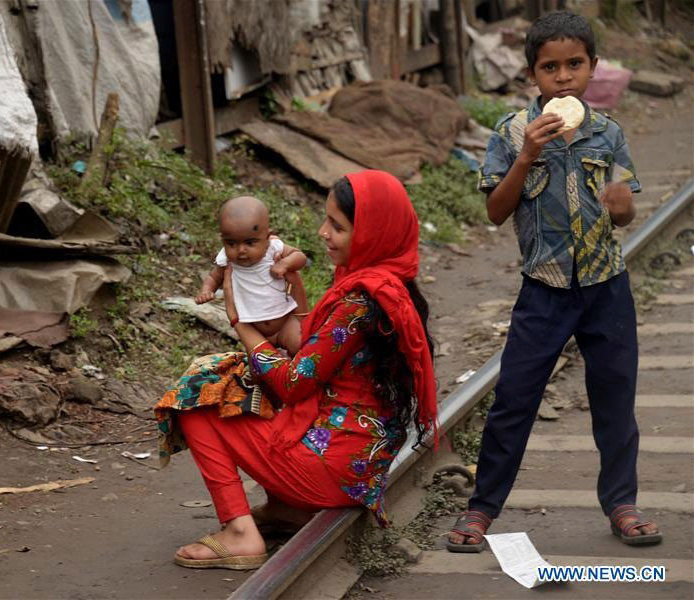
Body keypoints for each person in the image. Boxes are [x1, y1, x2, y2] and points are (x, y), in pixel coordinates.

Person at [447, 10, 660, 552]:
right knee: (514, 399)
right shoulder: (512, 133)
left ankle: (622, 503)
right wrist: (527, 156)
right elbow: (497, 211)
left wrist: (622, 207)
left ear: (591, 69)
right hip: (543, 288)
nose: (562, 77)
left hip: (605, 286)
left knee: (614, 396)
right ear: (533, 76)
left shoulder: (607, 133)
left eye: (574, 65)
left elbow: (622, 213)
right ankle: (481, 510)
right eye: (550, 68)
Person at [155, 170, 437, 570]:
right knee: (232, 374)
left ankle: (239, 534)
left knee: (193, 398)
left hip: (331, 470)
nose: (323, 233)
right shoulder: (389, 283)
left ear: (373, 233)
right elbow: (314, 354)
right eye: (326, 220)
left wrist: (242, 325)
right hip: (358, 463)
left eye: (336, 226)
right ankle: (286, 507)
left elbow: (293, 383)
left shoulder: (357, 304)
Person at [195, 195, 309, 355]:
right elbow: (214, 277)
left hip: (285, 322)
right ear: (223, 240)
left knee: (299, 346)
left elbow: (300, 257)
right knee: (258, 369)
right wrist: (206, 290)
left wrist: (284, 264)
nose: (241, 250)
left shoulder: (273, 248)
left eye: (250, 243)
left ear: (267, 237)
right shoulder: (228, 260)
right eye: (231, 243)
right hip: (254, 330)